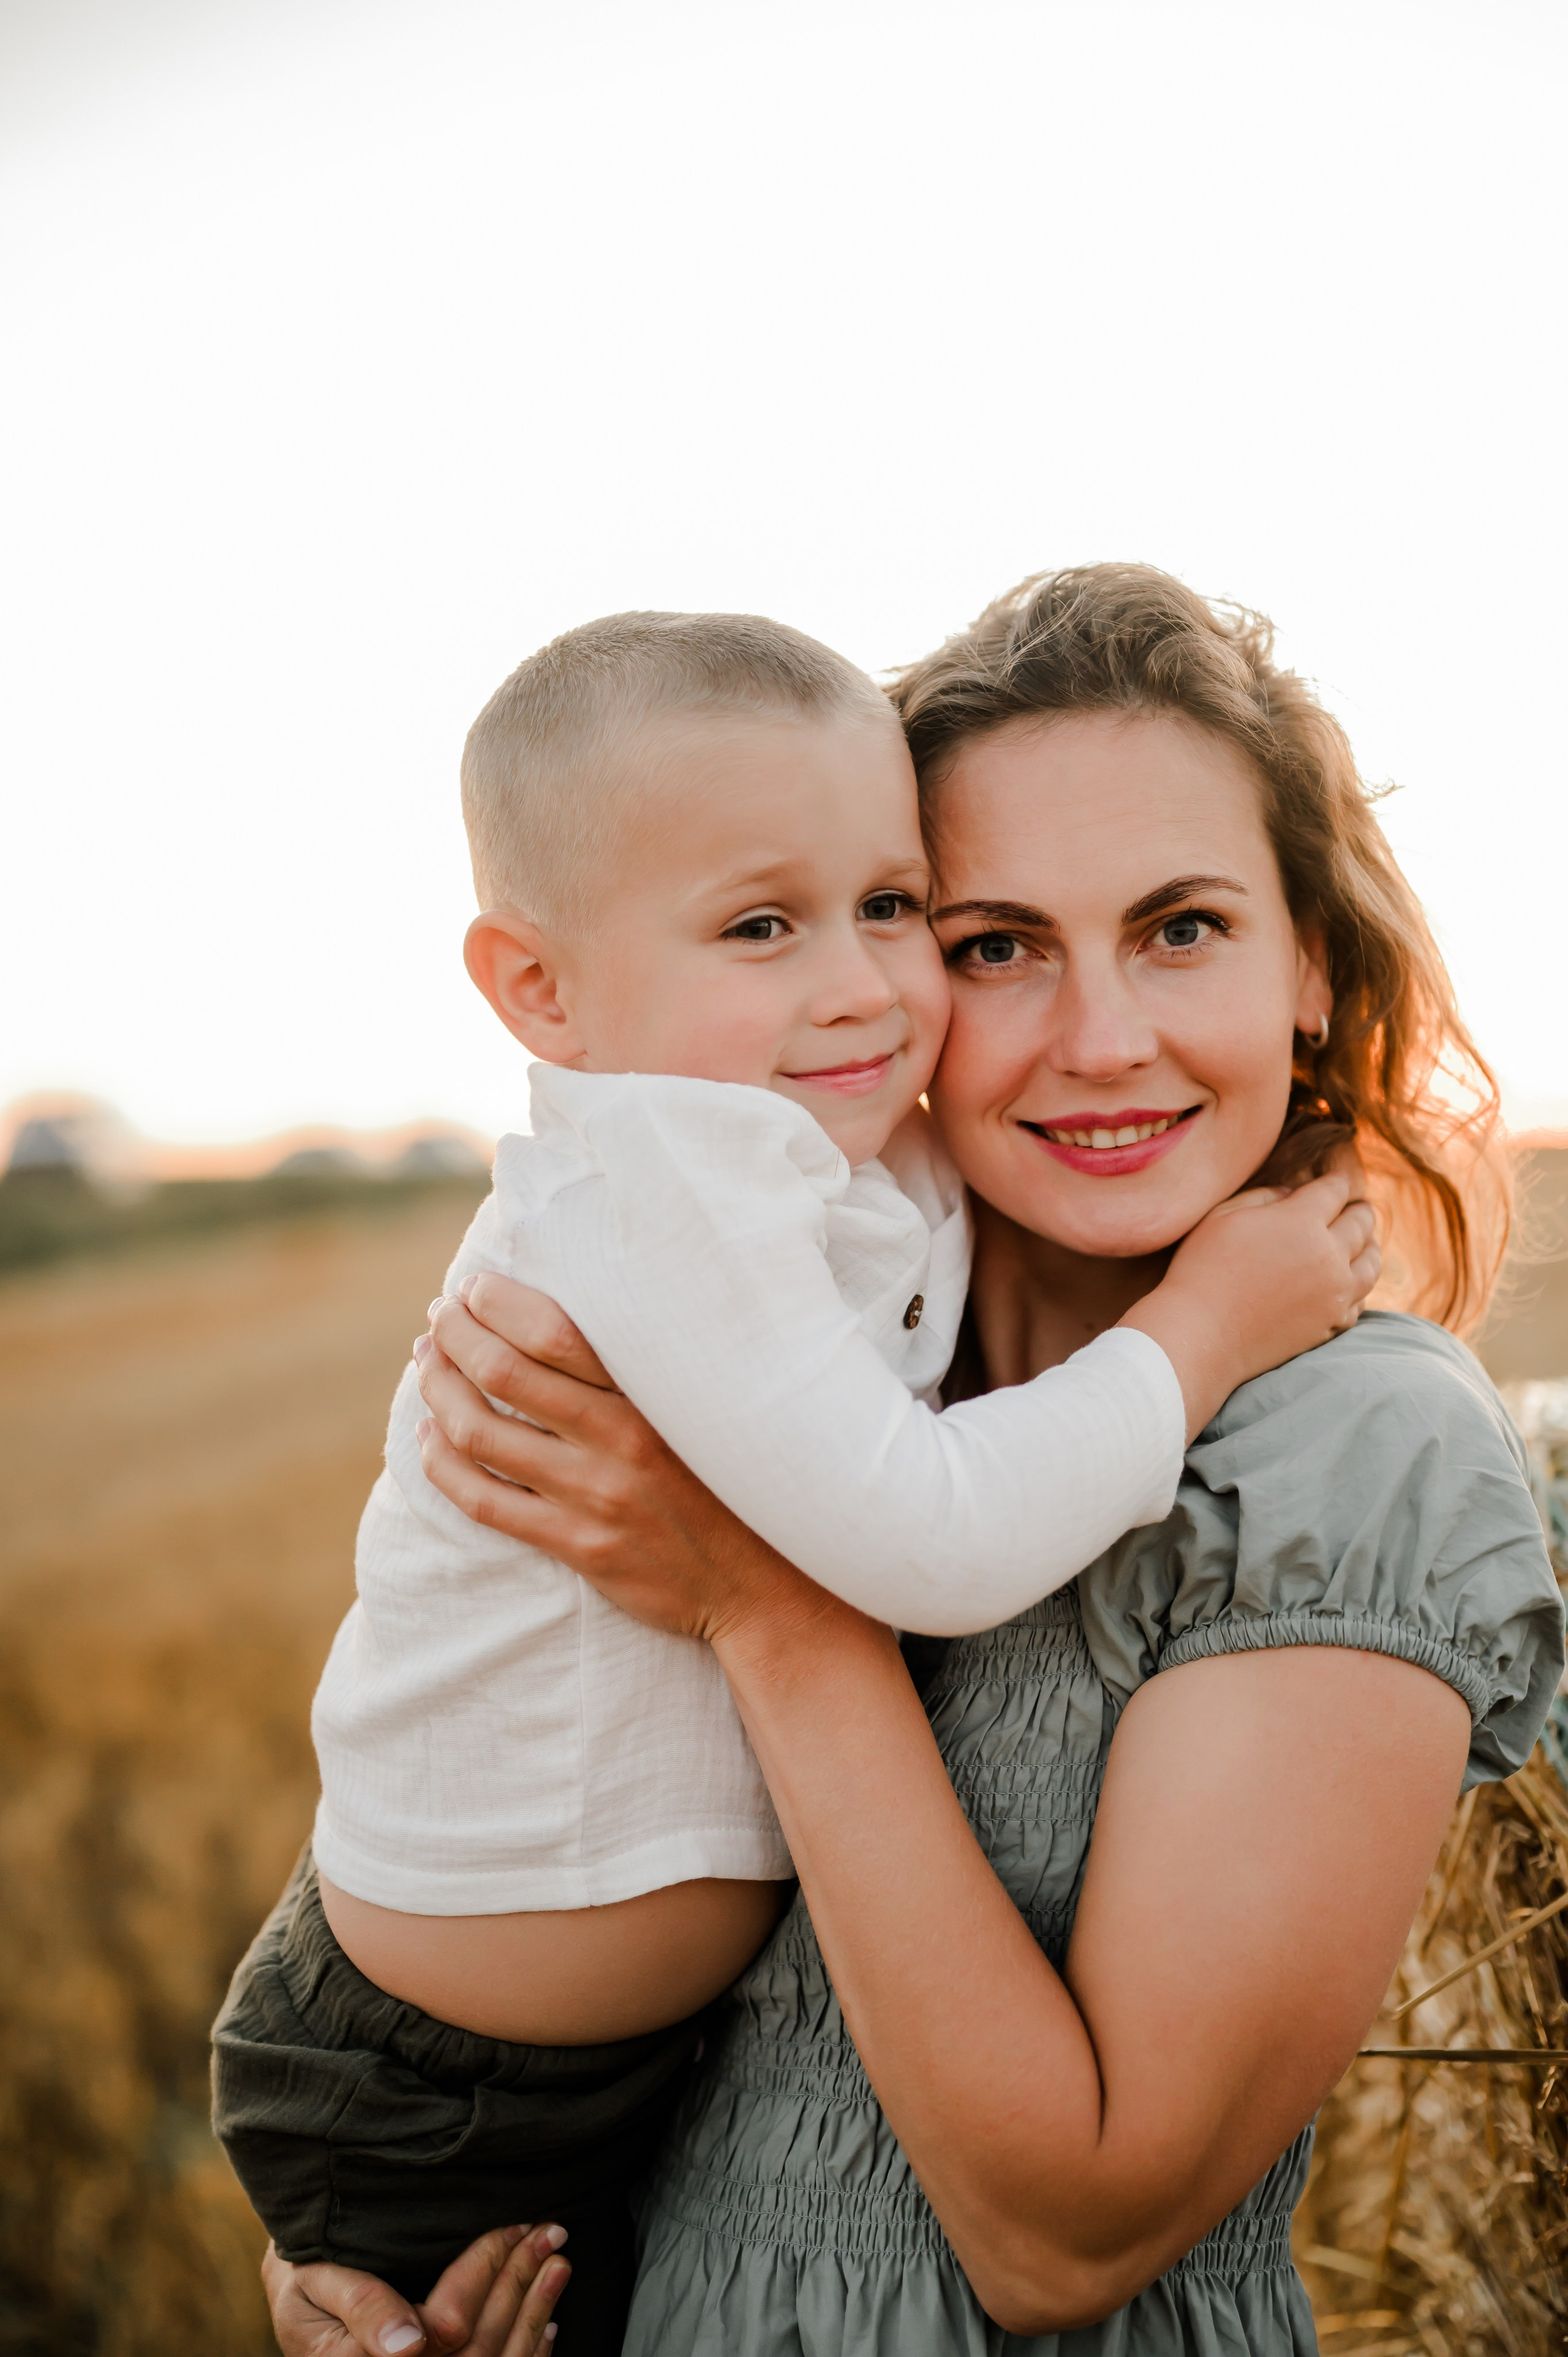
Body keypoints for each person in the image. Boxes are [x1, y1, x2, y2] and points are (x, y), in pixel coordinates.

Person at [263, 567, 1562, 2357]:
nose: (1101, 1035)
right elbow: (489, 1745)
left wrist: (762, 1614)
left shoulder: (1359, 1450)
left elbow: (1067, 2234)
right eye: (992, 942)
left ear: (1315, 973)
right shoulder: (856, 1340)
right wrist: (381, 2215)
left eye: (1182, 927)